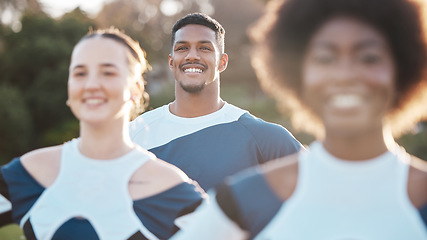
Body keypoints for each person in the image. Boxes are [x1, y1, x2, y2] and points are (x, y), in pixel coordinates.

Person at [171, 0, 427, 239]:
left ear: (403, 67)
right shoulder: (242, 200)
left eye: (369, 57)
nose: (345, 75)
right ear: (297, 73)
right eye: (325, 58)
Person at [0, 27, 205, 240]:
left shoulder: (170, 189)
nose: (91, 85)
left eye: (108, 72)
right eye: (80, 73)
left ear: (135, 90)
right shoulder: (29, 172)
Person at [129, 13, 302, 191]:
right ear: (171, 62)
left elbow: (323, 186)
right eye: (182, 48)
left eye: (204, 48)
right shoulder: (133, 136)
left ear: (222, 62)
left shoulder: (265, 138)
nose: (192, 56)